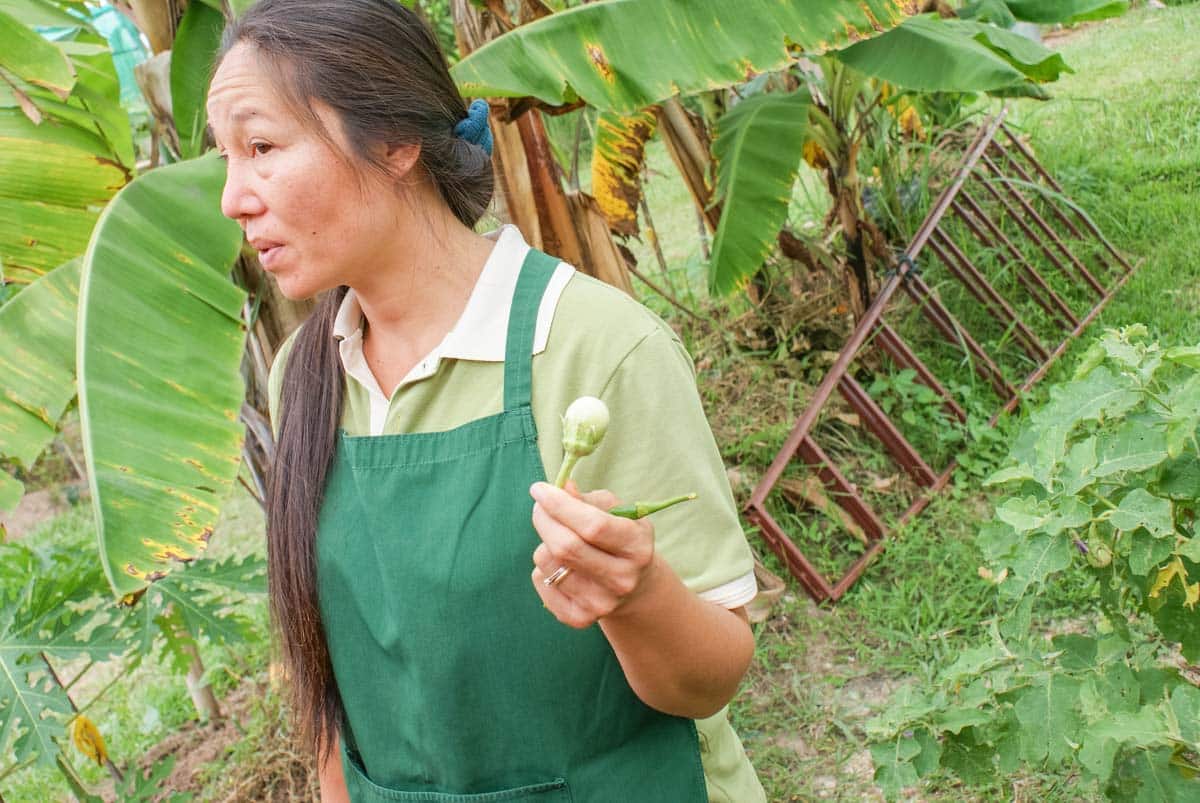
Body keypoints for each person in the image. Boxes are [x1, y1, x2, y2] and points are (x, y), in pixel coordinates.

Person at [206, 1, 766, 800]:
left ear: (396, 140)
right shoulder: (304, 369)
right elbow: (334, 678)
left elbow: (710, 679)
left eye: (261, 147)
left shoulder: (593, 347)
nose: (234, 196)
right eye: (226, 157)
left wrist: (638, 596)